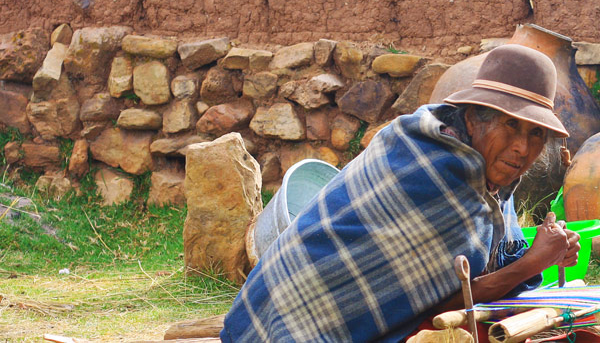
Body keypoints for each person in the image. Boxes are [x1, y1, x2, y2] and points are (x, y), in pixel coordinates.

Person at [222, 44, 581, 342]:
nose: (522, 147)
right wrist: (533, 264)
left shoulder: (483, 172)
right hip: (297, 324)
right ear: (473, 118)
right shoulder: (434, 170)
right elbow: (439, 306)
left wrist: (547, 251)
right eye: (511, 125)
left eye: (536, 134)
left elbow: (488, 257)